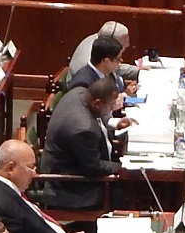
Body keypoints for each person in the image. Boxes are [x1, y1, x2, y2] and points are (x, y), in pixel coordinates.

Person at [39, 73, 124, 209]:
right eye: (111, 105)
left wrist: (114, 122)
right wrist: (123, 168)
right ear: (97, 103)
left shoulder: (78, 92)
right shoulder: (83, 129)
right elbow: (93, 168)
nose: (112, 109)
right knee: (127, 191)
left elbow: (99, 120)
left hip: (67, 163)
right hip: (68, 185)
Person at [68, 20, 136, 80]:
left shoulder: (99, 40)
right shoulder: (87, 63)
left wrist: (139, 71)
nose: (127, 45)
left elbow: (113, 67)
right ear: (110, 42)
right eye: (123, 44)